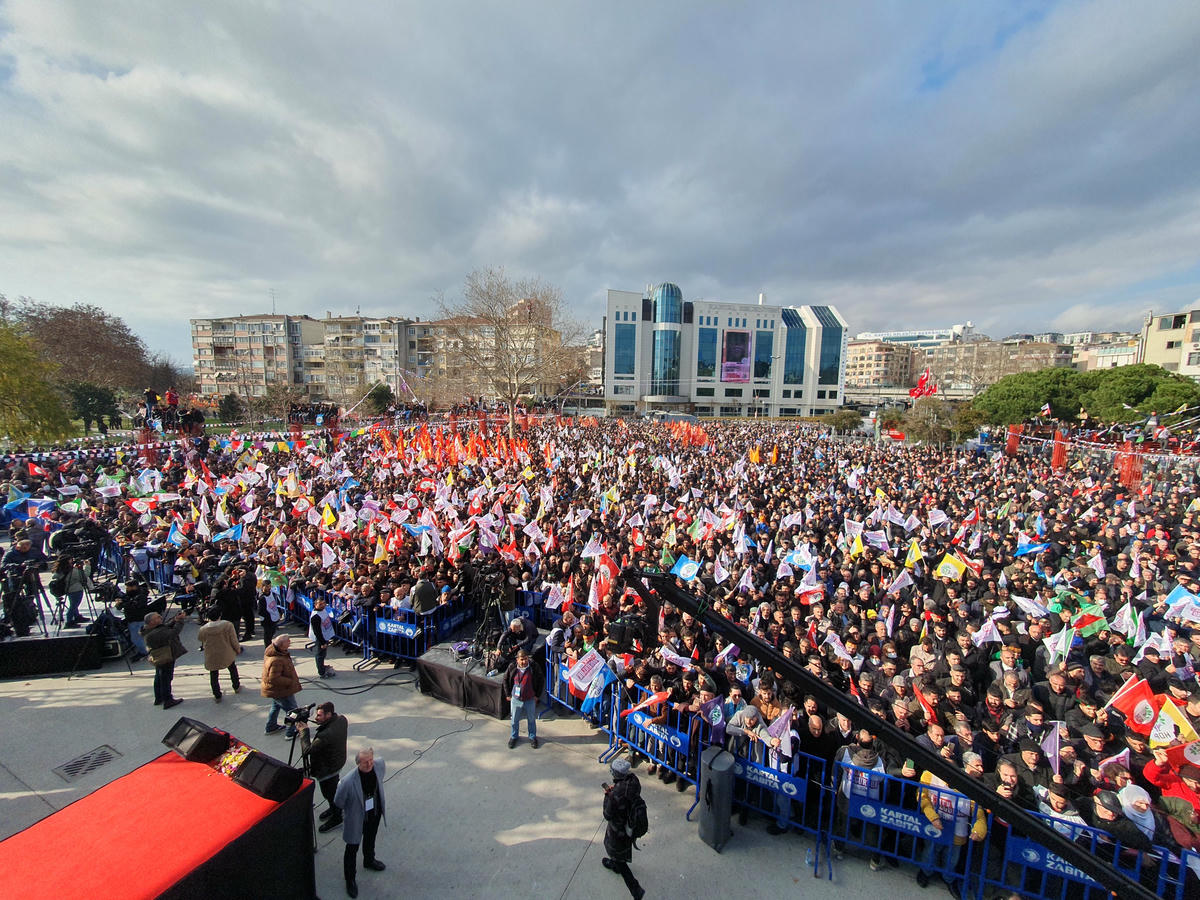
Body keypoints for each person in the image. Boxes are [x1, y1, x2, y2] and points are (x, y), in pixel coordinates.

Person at [333, 748, 387, 899]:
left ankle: (369, 860)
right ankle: (350, 879)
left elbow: (380, 779)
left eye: (371, 759)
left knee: (370, 838)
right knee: (352, 848)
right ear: (358, 763)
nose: (370, 764)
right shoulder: (348, 781)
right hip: (356, 818)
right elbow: (338, 801)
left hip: (374, 813)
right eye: (365, 762)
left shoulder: (380, 764)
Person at [298, 701, 349, 833]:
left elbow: (307, 750)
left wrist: (304, 732)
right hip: (336, 762)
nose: (316, 718)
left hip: (327, 769)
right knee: (333, 790)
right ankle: (334, 808)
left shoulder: (325, 735)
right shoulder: (341, 720)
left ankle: (337, 815)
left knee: (329, 793)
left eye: (319, 715)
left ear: (328, 714)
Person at [601, 757, 646, 900]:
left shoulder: (615, 795)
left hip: (618, 830)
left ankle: (635, 889)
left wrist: (607, 797)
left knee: (618, 855)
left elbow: (607, 814)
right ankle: (615, 863)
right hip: (629, 826)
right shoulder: (634, 781)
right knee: (619, 852)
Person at [143, 610, 187, 709]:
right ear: (152, 622)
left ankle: (159, 697)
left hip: (158, 655)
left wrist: (174, 620)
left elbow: (164, 627)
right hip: (165, 655)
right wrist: (179, 621)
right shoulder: (156, 633)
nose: (161, 618)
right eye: (158, 617)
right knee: (166, 677)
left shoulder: (149, 630)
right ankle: (168, 699)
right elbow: (173, 632)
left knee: (159, 676)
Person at [197, 607, 242, 702]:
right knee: (232, 669)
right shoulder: (227, 625)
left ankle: (217, 695)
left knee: (213, 674)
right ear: (220, 615)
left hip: (212, 654)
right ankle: (236, 686)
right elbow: (234, 640)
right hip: (226, 652)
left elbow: (201, 639)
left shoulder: (203, 629)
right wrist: (237, 649)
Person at [262, 634, 303, 737]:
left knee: (276, 706)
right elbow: (274, 678)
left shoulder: (274, 651)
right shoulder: (276, 660)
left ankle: (271, 727)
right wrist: (290, 681)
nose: (290, 642)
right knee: (293, 711)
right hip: (282, 690)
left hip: (276, 691)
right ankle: (290, 732)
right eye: (288, 641)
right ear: (281, 645)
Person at [504, 648, 543, 749]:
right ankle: (514, 736)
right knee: (514, 720)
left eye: (525, 659)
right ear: (517, 659)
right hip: (516, 699)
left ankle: (532, 737)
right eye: (521, 659)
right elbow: (505, 679)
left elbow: (540, 679)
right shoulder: (512, 667)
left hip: (530, 699)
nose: (524, 661)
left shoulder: (533, 666)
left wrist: (537, 695)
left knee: (531, 719)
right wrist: (508, 694)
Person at [309, 596, 336, 678]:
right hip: (320, 638)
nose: (323, 605)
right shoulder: (316, 616)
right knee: (320, 654)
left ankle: (322, 666)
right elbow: (317, 631)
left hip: (326, 635)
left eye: (324, 603)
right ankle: (322, 672)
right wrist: (322, 642)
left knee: (323, 654)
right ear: (315, 605)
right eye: (320, 604)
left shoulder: (323, 611)